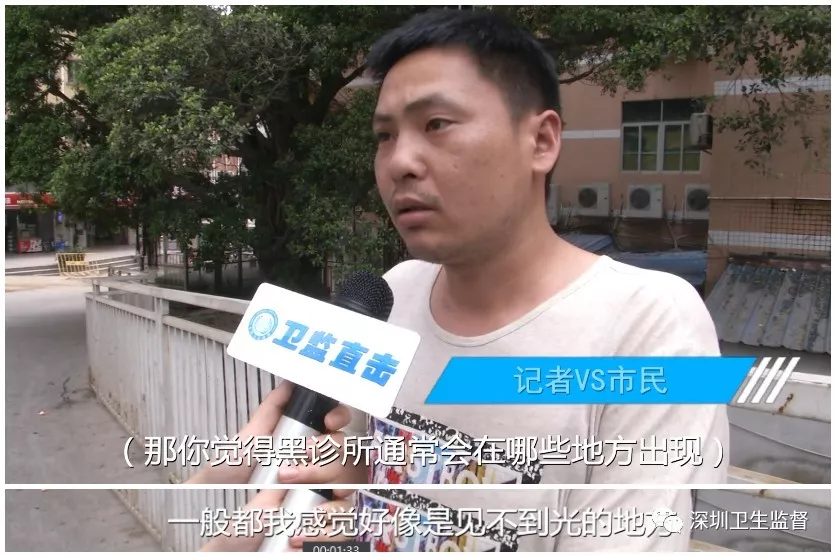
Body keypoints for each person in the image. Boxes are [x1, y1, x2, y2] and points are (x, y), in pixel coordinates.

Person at [195, 8, 728, 552]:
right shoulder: (395, 293)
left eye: (437, 124)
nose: (399, 162)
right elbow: (352, 487)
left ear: (541, 141)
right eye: (384, 135)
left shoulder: (652, 325)